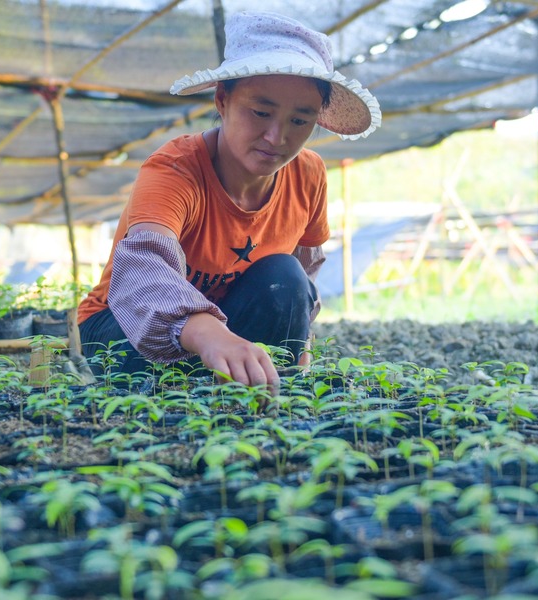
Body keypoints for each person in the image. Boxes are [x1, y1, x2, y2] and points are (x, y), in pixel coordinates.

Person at [76, 10, 380, 392]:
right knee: (158, 392)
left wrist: (298, 335)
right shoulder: (175, 170)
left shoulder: (308, 174)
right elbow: (143, 267)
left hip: (225, 327)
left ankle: (251, 401)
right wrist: (206, 332)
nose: (276, 137)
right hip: (123, 320)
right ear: (222, 101)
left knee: (285, 276)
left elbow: (302, 273)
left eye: (299, 121)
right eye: (261, 112)